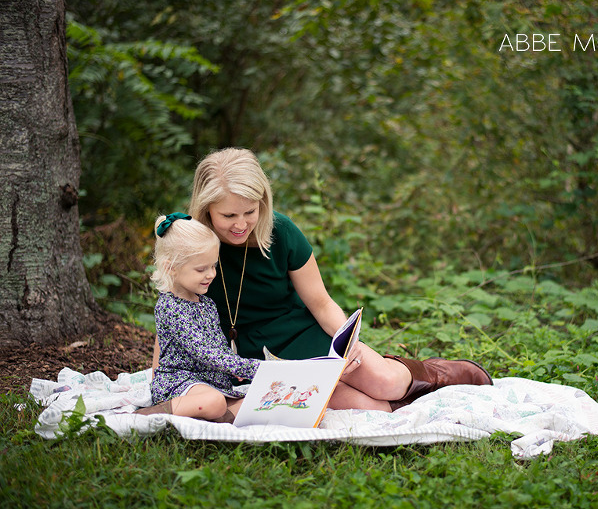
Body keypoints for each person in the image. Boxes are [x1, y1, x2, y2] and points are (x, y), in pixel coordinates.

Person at [154, 147, 492, 412]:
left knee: (385, 382)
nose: (241, 224)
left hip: (302, 335)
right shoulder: (192, 246)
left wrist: (348, 342)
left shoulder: (281, 232)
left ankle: (437, 373)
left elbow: (320, 302)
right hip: (251, 360)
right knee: (370, 408)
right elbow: (170, 315)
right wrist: (158, 382)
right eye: (229, 215)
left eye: (250, 211)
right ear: (206, 207)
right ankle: (411, 398)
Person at [135, 213, 261, 423]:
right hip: (179, 381)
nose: (211, 274)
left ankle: (220, 417)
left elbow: (218, 347)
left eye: (213, 266)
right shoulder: (171, 306)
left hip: (209, 380)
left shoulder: (207, 304)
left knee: (254, 398)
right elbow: (203, 352)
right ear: (170, 268)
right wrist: (245, 367)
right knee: (214, 402)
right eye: (201, 269)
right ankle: (146, 415)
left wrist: (233, 367)